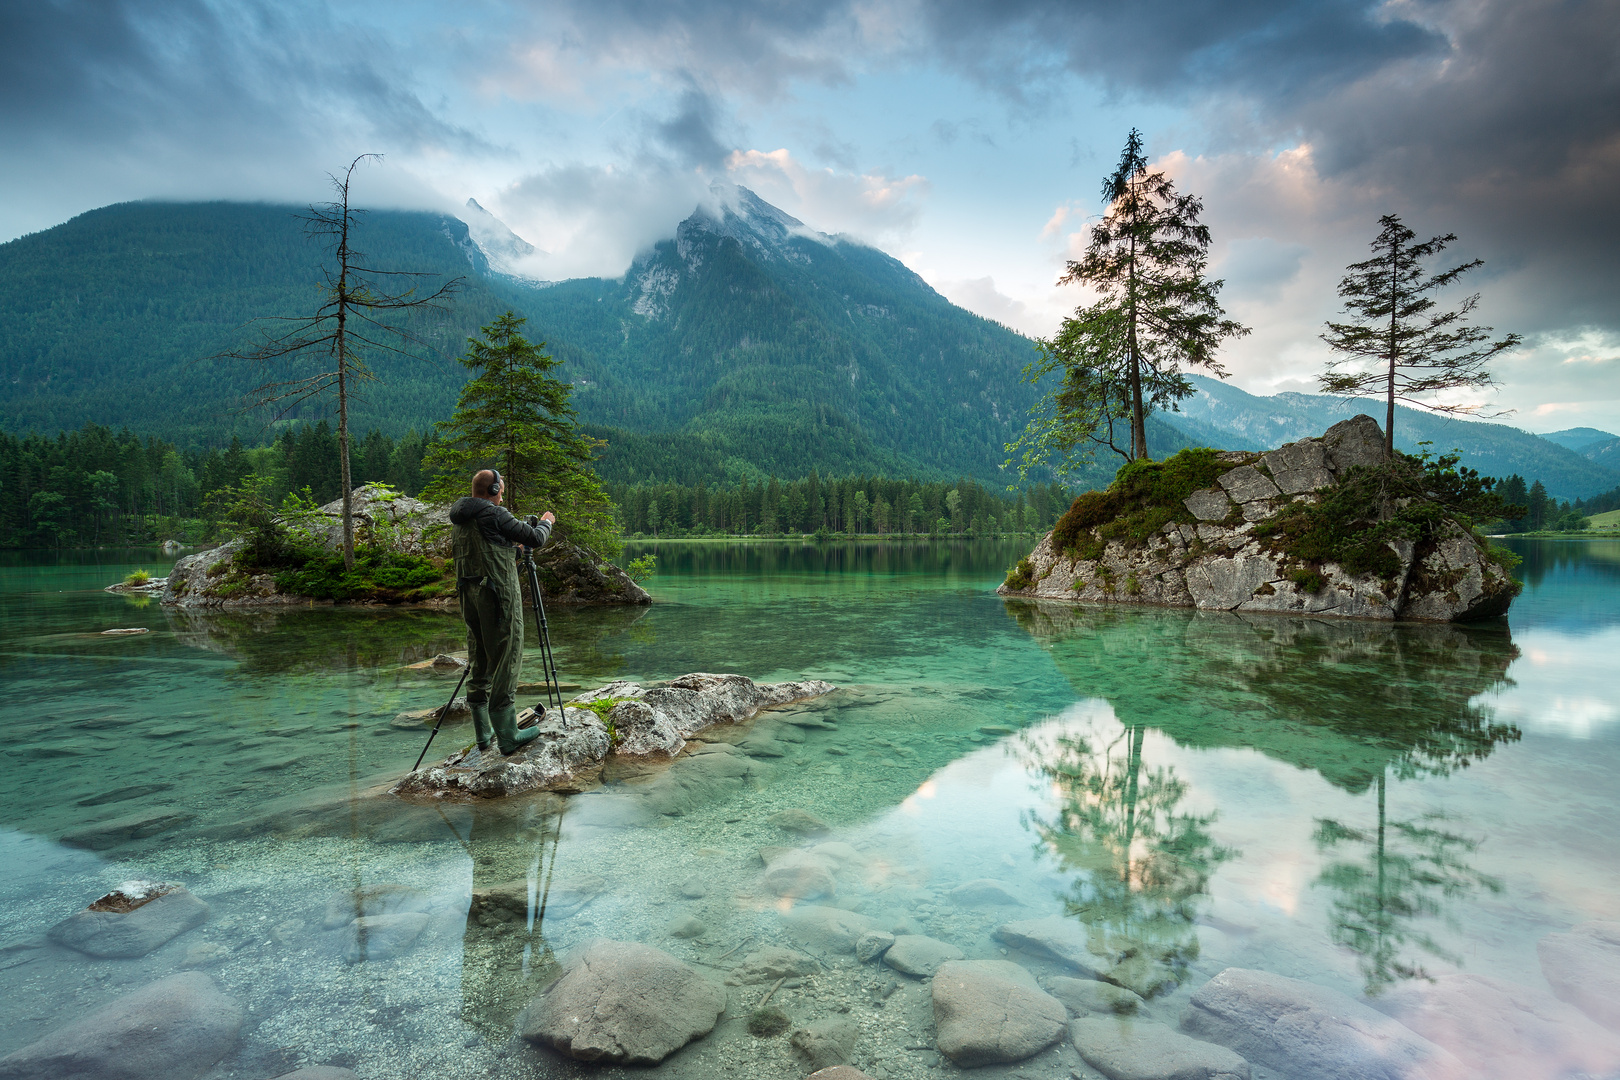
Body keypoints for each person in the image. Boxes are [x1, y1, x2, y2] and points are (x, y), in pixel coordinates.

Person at [448, 469, 555, 757]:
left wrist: (515, 551)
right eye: (501, 490)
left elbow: (487, 552)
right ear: (493, 489)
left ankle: (484, 735)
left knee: (479, 656)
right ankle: (508, 735)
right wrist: (546, 523)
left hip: (471, 597)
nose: (503, 495)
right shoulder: (494, 513)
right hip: (499, 597)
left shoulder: (461, 518)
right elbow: (535, 538)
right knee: (508, 653)